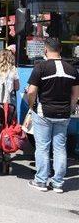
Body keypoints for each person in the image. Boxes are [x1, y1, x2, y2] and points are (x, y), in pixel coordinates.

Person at [25, 38, 79, 193]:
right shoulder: (72, 69)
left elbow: (31, 91)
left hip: (44, 112)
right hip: (64, 114)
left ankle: (41, 181)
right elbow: (75, 94)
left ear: (45, 50)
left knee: (42, 147)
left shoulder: (40, 67)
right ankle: (58, 183)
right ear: (60, 49)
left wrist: (31, 105)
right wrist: (70, 108)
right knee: (60, 148)